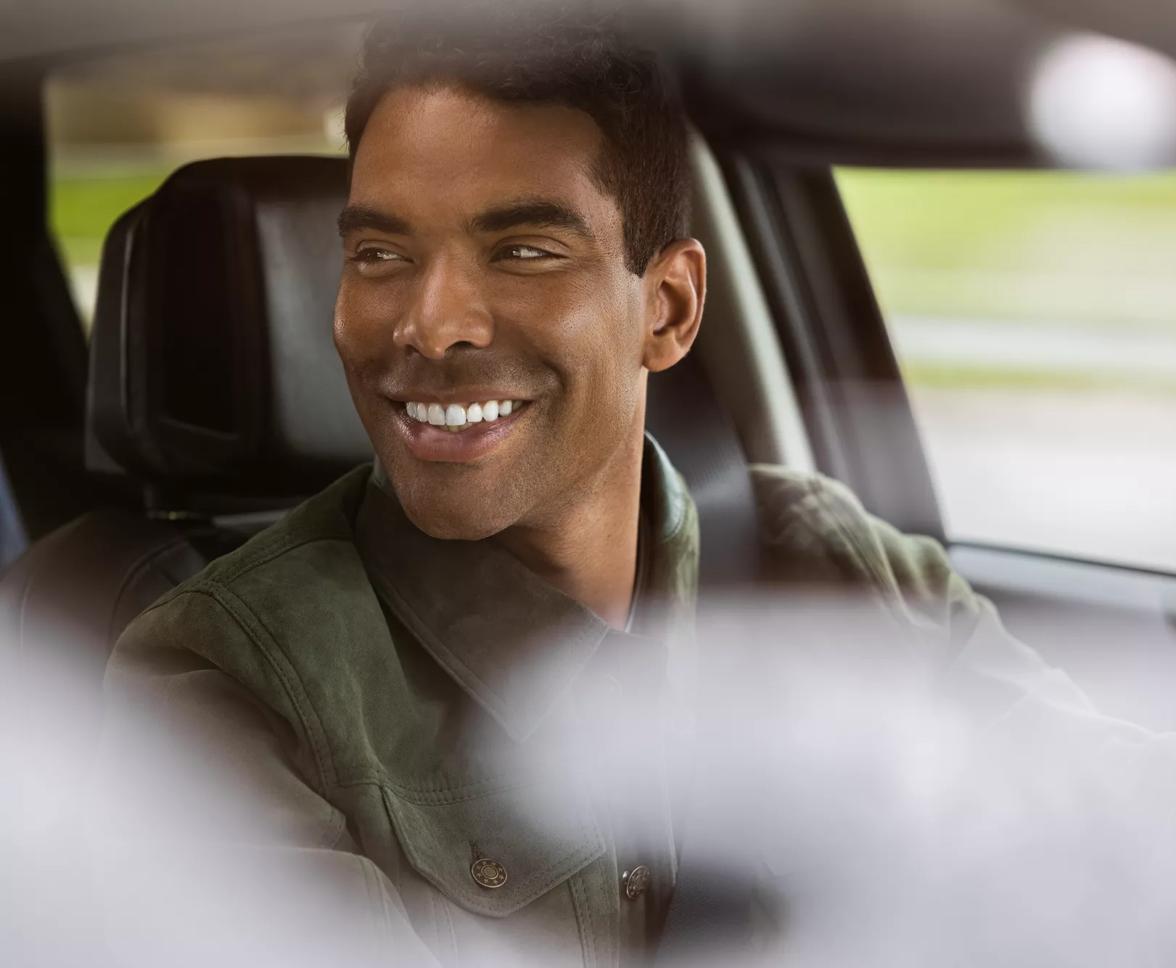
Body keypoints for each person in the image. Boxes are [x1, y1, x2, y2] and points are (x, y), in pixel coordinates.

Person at [95, 15, 1169, 968]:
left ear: (668, 309)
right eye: (380, 252)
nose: (430, 324)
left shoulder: (835, 562)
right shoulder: (221, 681)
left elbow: (1126, 831)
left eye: (520, 250)